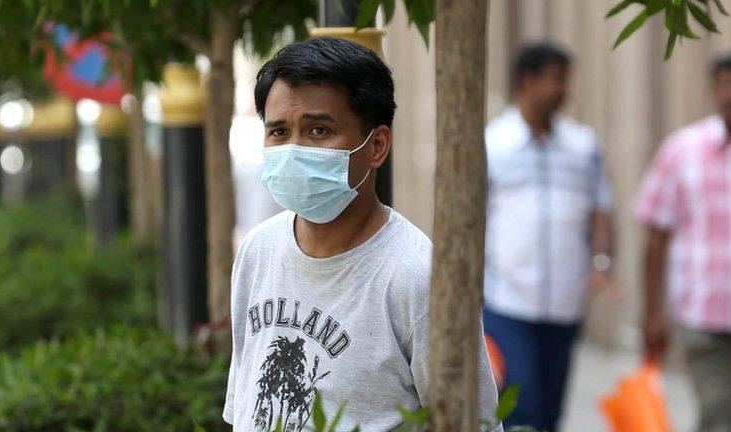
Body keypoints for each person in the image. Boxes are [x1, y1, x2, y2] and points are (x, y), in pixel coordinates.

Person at [222, 37, 502, 432]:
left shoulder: (417, 275)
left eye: (319, 130)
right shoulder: (257, 250)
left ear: (377, 146)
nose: (294, 149)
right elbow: (246, 404)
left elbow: (473, 422)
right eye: (279, 132)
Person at [482, 42, 614, 431]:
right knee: (522, 402)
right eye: (556, 79)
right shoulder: (492, 143)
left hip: (565, 303)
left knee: (553, 407)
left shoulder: (583, 146)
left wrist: (601, 263)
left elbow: (601, 211)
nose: (563, 90)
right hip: (507, 301)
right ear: (527, 79)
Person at [636, 53, 731, 432]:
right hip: (707, 314)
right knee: (724, 417)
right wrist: (653, 313)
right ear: (713, 90)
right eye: (728, 84)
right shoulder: (683, 150)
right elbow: (656, 236)